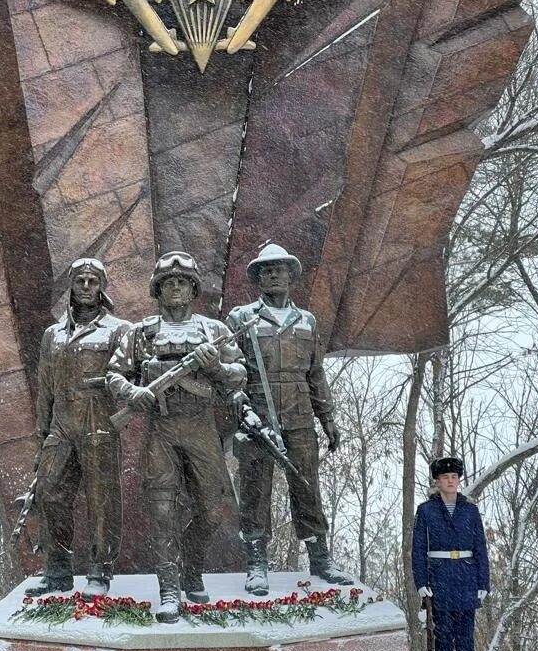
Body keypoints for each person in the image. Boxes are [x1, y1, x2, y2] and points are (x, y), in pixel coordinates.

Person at [107, 251, 246, 622]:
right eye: (168, 283)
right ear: (158, 289)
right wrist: (133, 392)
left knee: (214, 508)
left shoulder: (214, 331)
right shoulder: (141, 332)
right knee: (162, 512)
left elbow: (238, 375)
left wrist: (213, 364)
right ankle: (169, 589)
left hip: (202, 428)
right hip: (161, 430)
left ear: (193, 288)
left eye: (182, 282)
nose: (176, 289)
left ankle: (192, 564)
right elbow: (114, 374)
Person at [226, 243, 353, 595]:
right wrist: (242, 413)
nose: (273, 275)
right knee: (255, 492)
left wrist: (327, 419)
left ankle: (321, 558)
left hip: (299, 418)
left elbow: (316, 374)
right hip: (256, 421)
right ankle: (256, 564)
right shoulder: (241, 319)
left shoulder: (307, 321)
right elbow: (230, 373)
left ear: (291, 275)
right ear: (258, 279)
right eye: (266, 270)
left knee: (307, 488)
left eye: (279, 269)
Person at [28, 258, 131, 598]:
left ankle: (100, 569)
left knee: (101, 498)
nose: (86, 287)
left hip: (97, 417)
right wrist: (42, 432)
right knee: (50, 491)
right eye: (80, 281)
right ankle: (57, 568)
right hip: (61, 421)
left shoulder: (118, 330)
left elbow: (129, 380)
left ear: (101, 287)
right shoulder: (52, 334)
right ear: (71, 286)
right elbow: (45, 387)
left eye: (93, 281)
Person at [411, 457, 490, 651]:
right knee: (443, 640)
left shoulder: (470, 510)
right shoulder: (426, 510)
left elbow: (480, 548)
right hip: (439, 579)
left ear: (458, 480)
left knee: (466, 639)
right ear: (437, 481)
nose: (450, 481)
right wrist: (421, 582)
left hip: (466, 578)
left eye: (454, 477)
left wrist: (483, 582)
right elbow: (418, 549)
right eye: (445, 477)